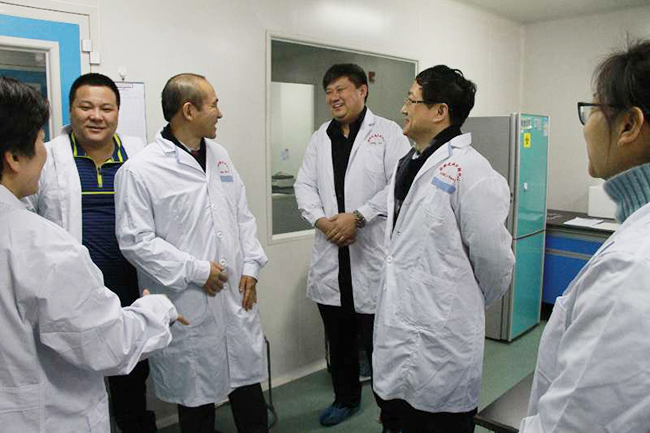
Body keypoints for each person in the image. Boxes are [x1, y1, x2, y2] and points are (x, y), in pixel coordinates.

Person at [0, 76, 181, 432]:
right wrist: (159, 309)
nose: (96, 115)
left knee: (132, 391)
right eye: (86, 107)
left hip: (122, 287)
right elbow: (109, 345)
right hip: (68, 296)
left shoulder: (138, 155)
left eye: (106, 108)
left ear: (118, 113)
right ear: (15, 157)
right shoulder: (44, 246)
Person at [115, 73, 269, 433]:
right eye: (214, 104)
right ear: (188, 110)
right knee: (197, 403)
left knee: (249, 393)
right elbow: (136, 241)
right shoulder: (140, 170)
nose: (220, 113)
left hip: (235, 296)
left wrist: (251, 265)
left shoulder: (220, 156)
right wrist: (198, 271)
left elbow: (242, 216)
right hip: (189, 300)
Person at [373, 65, 515, 433]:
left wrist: (457, 300)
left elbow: (495, 262)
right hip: (398, 323)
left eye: (411, 100)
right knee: (397, 414)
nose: (403, 108)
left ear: (439, 111)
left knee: (437, 421)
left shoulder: (473, 171)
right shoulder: (408, 163)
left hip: (443, 335)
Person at [520, 40, 650, 432]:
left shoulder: (631, 269)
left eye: (592, 109)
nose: (585, 127)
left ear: (629, 125)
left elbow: (573, 423)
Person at [294, 63, 410, 429]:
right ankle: (345, 399)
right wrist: (323, 221)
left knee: (381, 343)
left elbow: (399, 183)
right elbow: (304, 185)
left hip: (370, 252)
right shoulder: (321, 137)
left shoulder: (388, 133)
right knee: (339, 338)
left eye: (340, 89)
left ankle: (390, 409)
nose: (333, 97)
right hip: (332, 253)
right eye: (328, 91)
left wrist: (357, 217)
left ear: (362, 91)